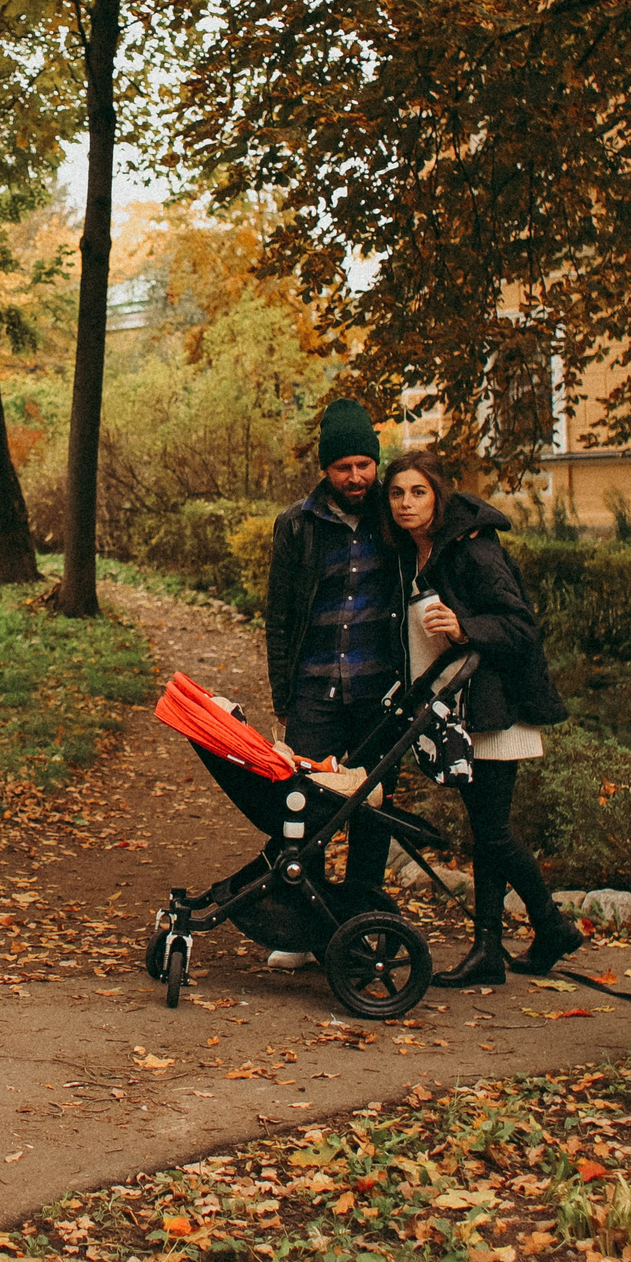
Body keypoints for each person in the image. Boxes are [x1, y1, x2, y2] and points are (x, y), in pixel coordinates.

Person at [381, 446, 581, 987]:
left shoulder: (473, 548)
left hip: (497, 708)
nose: (406, 503)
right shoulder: (411, 552)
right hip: (460, 710)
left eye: (418, 492)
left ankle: (551, 923)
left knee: (491, 833)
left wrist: (466, 626)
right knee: (486, 829)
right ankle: (490, 950)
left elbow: (520, 626)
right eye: (396, 493)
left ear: (438, 495)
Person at [259, 397, 403, 968]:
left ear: (376, 463)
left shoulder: (392, 520)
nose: (355, 477)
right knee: (303, 809)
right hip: (315, 691)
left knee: (371, 812)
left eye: (364, 465)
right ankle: (303, 929)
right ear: (325, 469)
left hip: (378, 693)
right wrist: (283, 700)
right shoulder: (296, 525)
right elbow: (278, 616)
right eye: (343, 467)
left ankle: (360, 924)